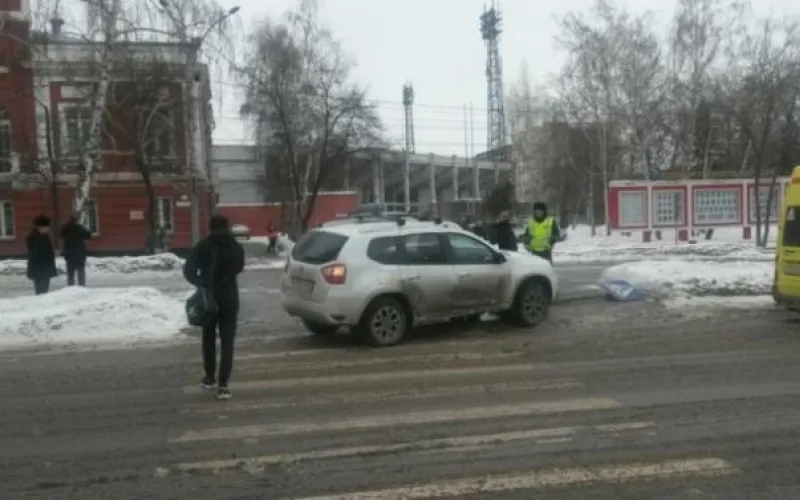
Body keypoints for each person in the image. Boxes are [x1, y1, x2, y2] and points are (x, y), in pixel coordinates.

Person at [182, 214, 245, 400]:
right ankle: (224, 385)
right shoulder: (235, 246)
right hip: (230, 298)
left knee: (208, 337)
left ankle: (209, 378)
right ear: (227, 227)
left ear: (210, 227)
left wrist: (202, 282)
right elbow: (239, 267)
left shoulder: (204, 245)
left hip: (209, 298)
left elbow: (188, 270)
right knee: (228, 341)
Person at [26, 215, 57, 295]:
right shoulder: (36, 238)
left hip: (43, 269)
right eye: (46, 227)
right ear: (40, 227)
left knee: (43, 291)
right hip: (40, 269)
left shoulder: (42, 236)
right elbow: (36, 254)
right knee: (41, 291)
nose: (48, 229)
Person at [60, 214, 91, 286]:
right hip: (80, 255)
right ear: (76, 220)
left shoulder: (65, 228)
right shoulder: (80, 228)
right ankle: (82, 288)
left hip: (69, 255)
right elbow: (88, 235)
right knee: (81, 273)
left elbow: (61, 234)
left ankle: (71, 289)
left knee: (70, 274)